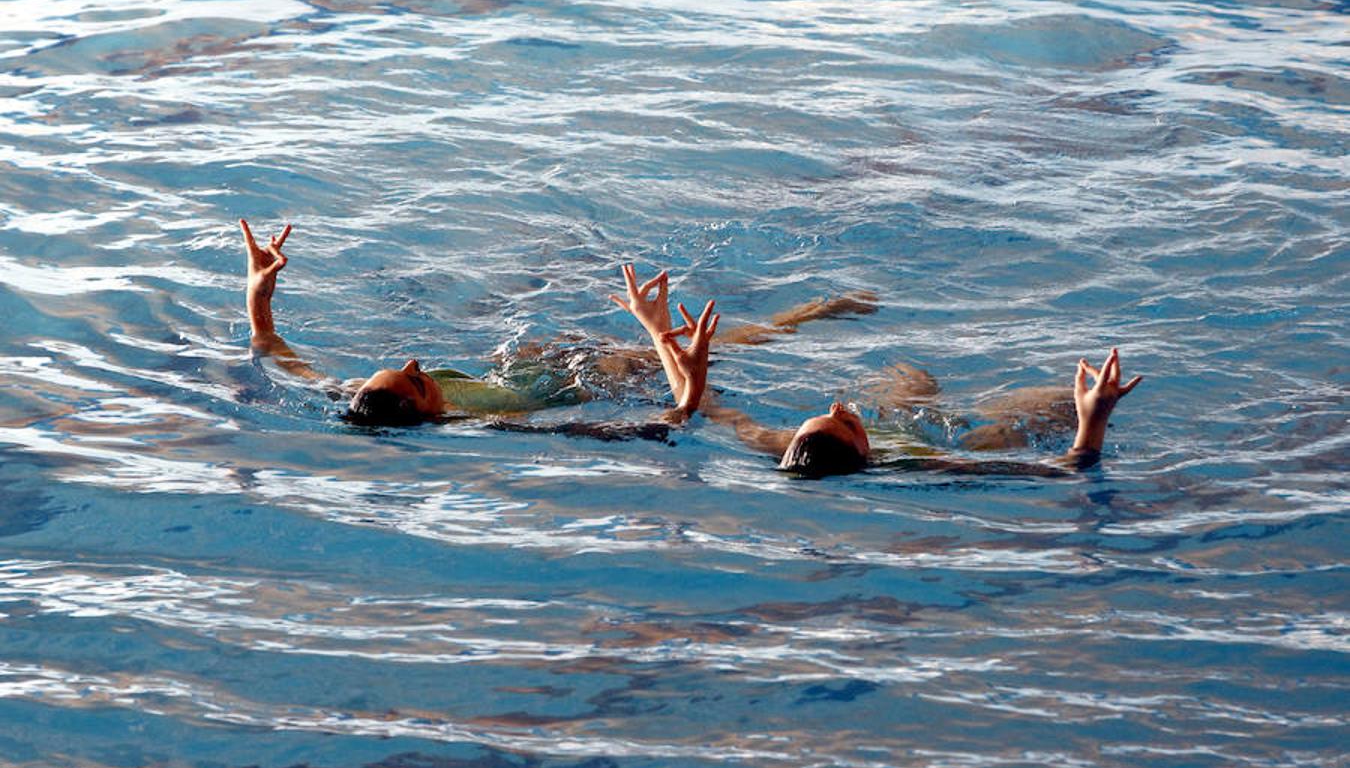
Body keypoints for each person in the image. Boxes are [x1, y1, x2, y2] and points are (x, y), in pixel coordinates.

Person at [240, 220, 876, 432]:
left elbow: (274, 350)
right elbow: (660, 427)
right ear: (433, 415)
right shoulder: (488, 426)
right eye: (419, 384)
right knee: (723, 340)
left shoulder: (359, 396)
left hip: (534, 358)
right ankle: (810, 314)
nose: (413, 366)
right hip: (588, 380)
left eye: (407, 368)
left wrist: (258, 294)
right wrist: (688, 384)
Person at [612, 265, 1144, 477]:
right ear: (866, 453)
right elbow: (1064, 470)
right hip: (952, 439)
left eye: (819, 418)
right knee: (1053, 399)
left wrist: (656, 332)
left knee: (913, 379)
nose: (840, 408)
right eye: (843, 422)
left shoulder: (777, 444)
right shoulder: (922, 466)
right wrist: (1092, 417)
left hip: (898, 419)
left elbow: (700, 408)